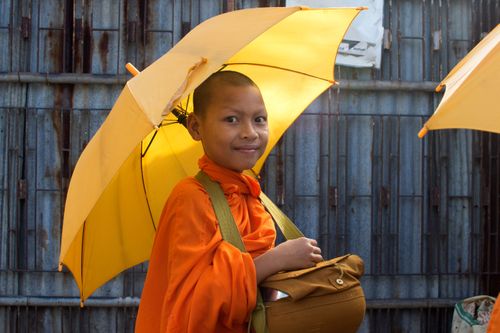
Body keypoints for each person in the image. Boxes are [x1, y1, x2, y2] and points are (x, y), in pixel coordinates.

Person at [135, 70, 323, 333]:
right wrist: (275, 260)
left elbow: (255, 297)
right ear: (196, 127)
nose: (250, 133)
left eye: (259, 119)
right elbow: (195, 305)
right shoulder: (191, 198)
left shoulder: (253, 198)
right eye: (231, 119)